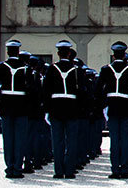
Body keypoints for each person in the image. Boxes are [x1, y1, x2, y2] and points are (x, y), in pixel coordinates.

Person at [97, 41, 128, 179]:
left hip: (112, 108)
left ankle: (115, 169)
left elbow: (99, 89)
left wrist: (103, 105)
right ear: (124, 55)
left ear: (113, 56)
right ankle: (125, 168)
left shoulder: (106, 70)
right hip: (127, 108)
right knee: (126, 140)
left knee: (114, 140)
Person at [42, 40, 85, 179]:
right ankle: (70, 170)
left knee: (57, 141)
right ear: (69, 53)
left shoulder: (52, 69)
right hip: (72, 108)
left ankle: (58, 171)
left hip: (56, 108)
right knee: (72, 141)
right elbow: (82, 92)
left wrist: (47, 110)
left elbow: (46, 91)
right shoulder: (77, 70)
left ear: (58, 54)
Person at [0, 40, 37, 179]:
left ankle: (9, 168)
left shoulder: (1, 67)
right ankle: (17, 168)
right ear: (18, 52)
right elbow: (32, 90)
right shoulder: (26, 69)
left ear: (8, 52)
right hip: (22, 108)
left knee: (8, 139)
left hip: (6, 107)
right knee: (20, 139)